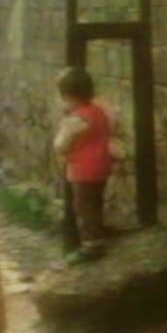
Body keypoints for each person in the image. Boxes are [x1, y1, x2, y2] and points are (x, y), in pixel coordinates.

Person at [53, 67, 112, 264]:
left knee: (83, 206)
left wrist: (65, 124)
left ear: (67, 96)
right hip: (101, 165)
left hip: (83, 170)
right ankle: (99, 236)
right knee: (96, 203)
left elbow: (60, 145)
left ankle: (91, 244)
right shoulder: (98, 111)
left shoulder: (76, 119)